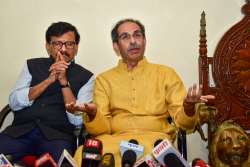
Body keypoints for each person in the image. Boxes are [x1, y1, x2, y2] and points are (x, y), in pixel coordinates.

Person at [72, 18, 215, 167]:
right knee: (83, 155)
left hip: (155, 142)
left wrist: (188, 107)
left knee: (155, 155)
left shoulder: (166, 74)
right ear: (116, 46)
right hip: (114, 143)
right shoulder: (104, 79)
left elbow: (185, 124)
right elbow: (102, 130)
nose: (133, 41)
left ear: (145, 41)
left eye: (137, 35)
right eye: (125, 37)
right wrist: (93, 114)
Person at [0, 22, 94, 163]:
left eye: (69, 44)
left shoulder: (87, 77)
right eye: (57, 44)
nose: (63, 49)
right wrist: (48, 81)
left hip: (58, 137)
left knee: (62, 162)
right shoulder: (31, 65)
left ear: (76, 47)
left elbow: (78, 121)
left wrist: (64, 83)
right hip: (19, 133)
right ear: (48, 46)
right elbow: (14, 103)